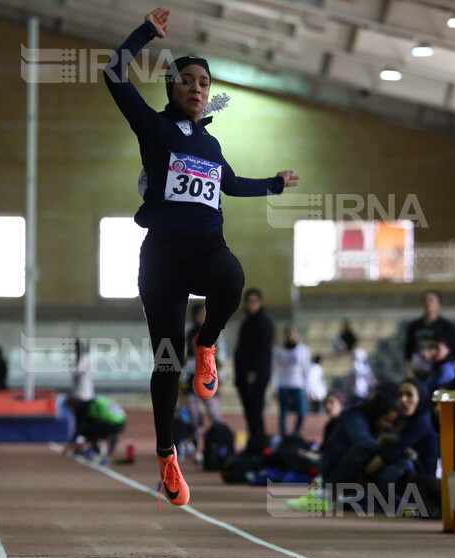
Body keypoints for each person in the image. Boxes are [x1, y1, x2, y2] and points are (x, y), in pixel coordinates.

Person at [104, 7, 299, 506]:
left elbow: (231, 184)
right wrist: (146, 31)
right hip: (162, 259)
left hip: (208, 247)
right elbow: (112, 71)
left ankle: (207, 346)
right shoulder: (153, 128)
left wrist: (275, 184)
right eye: (187, 80)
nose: (196, 88)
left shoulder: (211, 143)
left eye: (204, 83)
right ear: (172, 88)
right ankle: (167, 454)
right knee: (166, 362)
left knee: (232, 281)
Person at [234, 287, 273, 455]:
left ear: (260, 303)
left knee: (256, 413)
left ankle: (260, 446)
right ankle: (255, 444)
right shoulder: (246, 322)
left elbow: (263, 352)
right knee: (250, 413)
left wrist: (254, 373)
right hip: (243, 376)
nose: (251, 305)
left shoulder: (264, 323)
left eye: (254, 302)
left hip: (256, 377)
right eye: (248, 302)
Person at [404, 290, 455, 379]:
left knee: (448, 370)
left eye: (431, 300)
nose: (427, 303)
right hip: (419, 369)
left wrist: (435, 355)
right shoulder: (414, 326)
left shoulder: (447, 327)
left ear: (439, 305)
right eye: (425, 300)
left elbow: (454, 354)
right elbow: (408, 352)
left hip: (439, 369)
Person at [272, 324, 311, 438]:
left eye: (293, 333)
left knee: (302, 412)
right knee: (284, 412)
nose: (290, 336)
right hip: (284, 384)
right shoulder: (278, 350)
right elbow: (274, 369)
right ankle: (284, 436)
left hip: (298, 384)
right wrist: (274, 386)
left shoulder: (303, 350)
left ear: (297, 335)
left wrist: (307, 388)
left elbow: (306, 370)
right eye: (288, 333)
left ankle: (295, 434)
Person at [64, 395, 127, 461]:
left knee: (88, 430)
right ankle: (109, 438)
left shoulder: (82, 408)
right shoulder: (95, 401)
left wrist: (70, 446)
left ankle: (96, 449)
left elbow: (79, 428)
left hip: (112, 424)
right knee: (92, 427)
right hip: (121, 422)